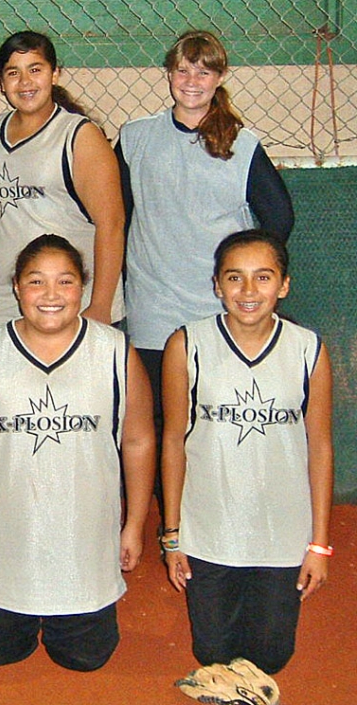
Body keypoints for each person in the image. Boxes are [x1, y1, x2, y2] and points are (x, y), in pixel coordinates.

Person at [0, 235, 155, 671]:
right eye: (37, 282)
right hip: (1, 544)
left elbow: (138, 441)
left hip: (83, 545)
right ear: (17, 288)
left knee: (87, 658)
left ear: (84, 287)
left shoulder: (114, 352)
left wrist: (133, 524)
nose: (51, 295)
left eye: (66, 282)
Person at [117, 30, 294, 516]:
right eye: (183, 69)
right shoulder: (135, 138)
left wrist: (248, 283)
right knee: (156, 419)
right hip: (154, 308)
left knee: (214, 418)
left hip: (217, 311)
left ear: (219, 78)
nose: (192, 80)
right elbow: (117, 216)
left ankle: (221, 514)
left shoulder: (242, 143)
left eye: (205, 70)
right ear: (169, 74)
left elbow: (278, 218)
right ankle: (170, 520)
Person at [160, 229, 333, 674]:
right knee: (212, 655)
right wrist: (173, 535)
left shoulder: (308, 349)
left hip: (281, 534)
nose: (249, 291)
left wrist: (318, 544)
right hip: (210, 532)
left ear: (284, 285)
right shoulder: (187, 345)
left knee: (272, 658)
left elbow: (320, 448)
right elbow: (173, 441)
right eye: (235, 278)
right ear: (216, 285)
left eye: (263, 277)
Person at [0, 31, 124, 331]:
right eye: (13, 73)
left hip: (72, 299)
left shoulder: (80, 135)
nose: (25, 83)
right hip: (7, 298)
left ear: (55, 74)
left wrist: (100, 303)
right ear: (1, 81)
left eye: (35, 70)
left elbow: (111, 223)